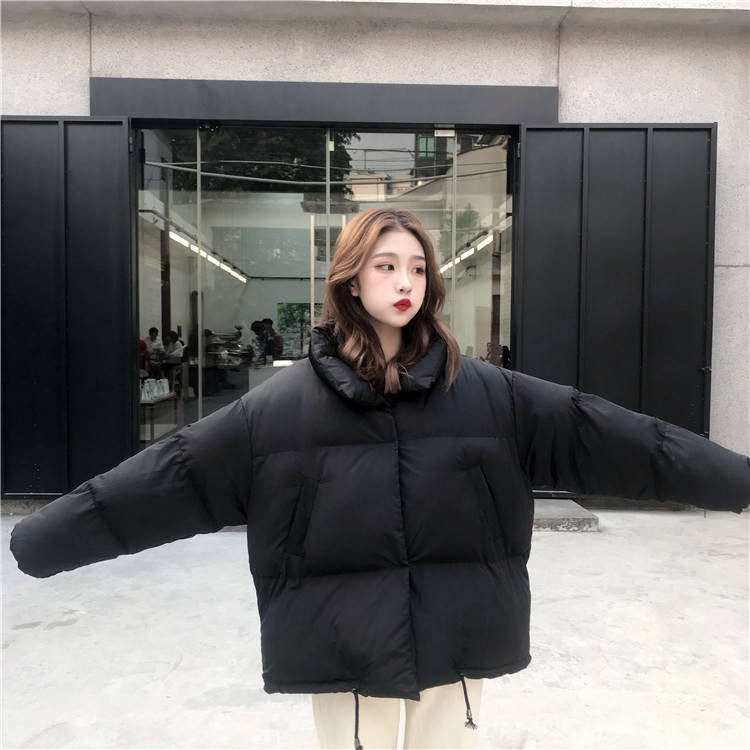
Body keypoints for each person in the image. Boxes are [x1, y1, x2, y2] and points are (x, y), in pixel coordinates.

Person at [8, 208, 750, 750]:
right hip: (341, 642)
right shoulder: (279, 410)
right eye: (386, 265)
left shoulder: (493, 396)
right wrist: (46, 539)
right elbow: (171, 476)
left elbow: (627, 441)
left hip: (458, 634)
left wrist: (737, 481)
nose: (406, 282)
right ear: (350, 277)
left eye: (418, 267)